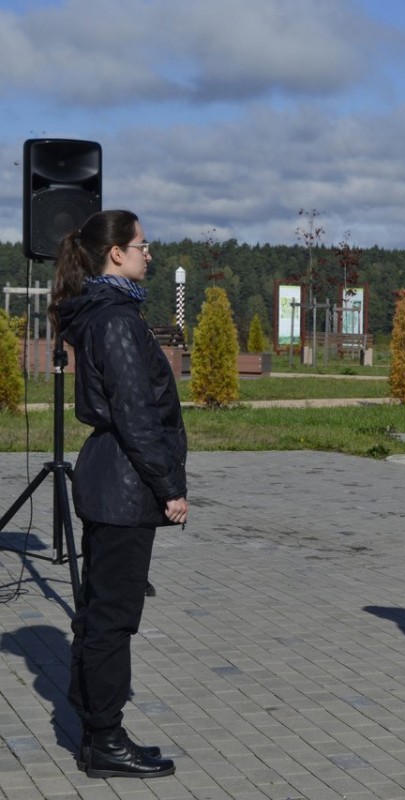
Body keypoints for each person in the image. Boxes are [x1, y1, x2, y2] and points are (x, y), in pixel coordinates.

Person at [50, 210, 187, 779]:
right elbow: (136, 415)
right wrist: (170, 487)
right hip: (125, 485)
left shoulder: (106, 315)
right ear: (115, 255)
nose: (148, 254)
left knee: (100, 613)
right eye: (142, 245)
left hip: (111, 481)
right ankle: (104, 739)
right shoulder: (118, 322)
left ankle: (98, 732)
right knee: (113, 618)